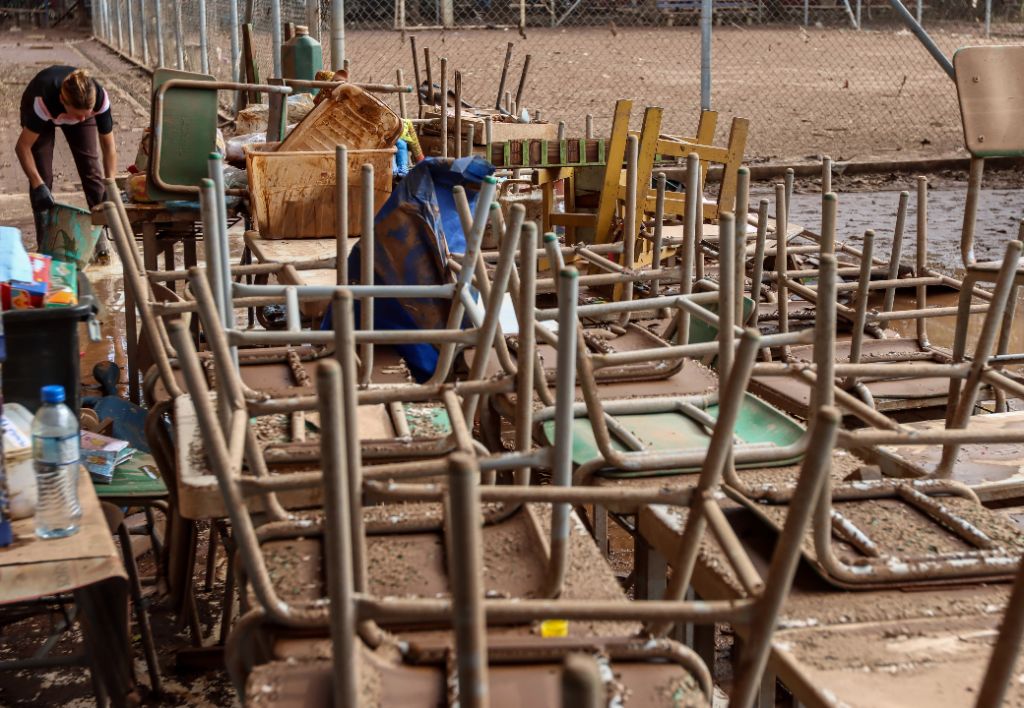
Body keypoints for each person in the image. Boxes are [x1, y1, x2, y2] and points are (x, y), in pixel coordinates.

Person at [14, 66, 117, 246]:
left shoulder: (99, 99)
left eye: (87, 114)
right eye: (78, 115)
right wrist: (38, 185)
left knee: (91, 169)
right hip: (43, 109)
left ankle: (101, 241)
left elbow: (109, 147)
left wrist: (111, 185)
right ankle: (45, 242)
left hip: (77, 106)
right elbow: (22, 147)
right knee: (42, 175)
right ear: (63, 101)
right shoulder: (43, 101)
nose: (82, 120)